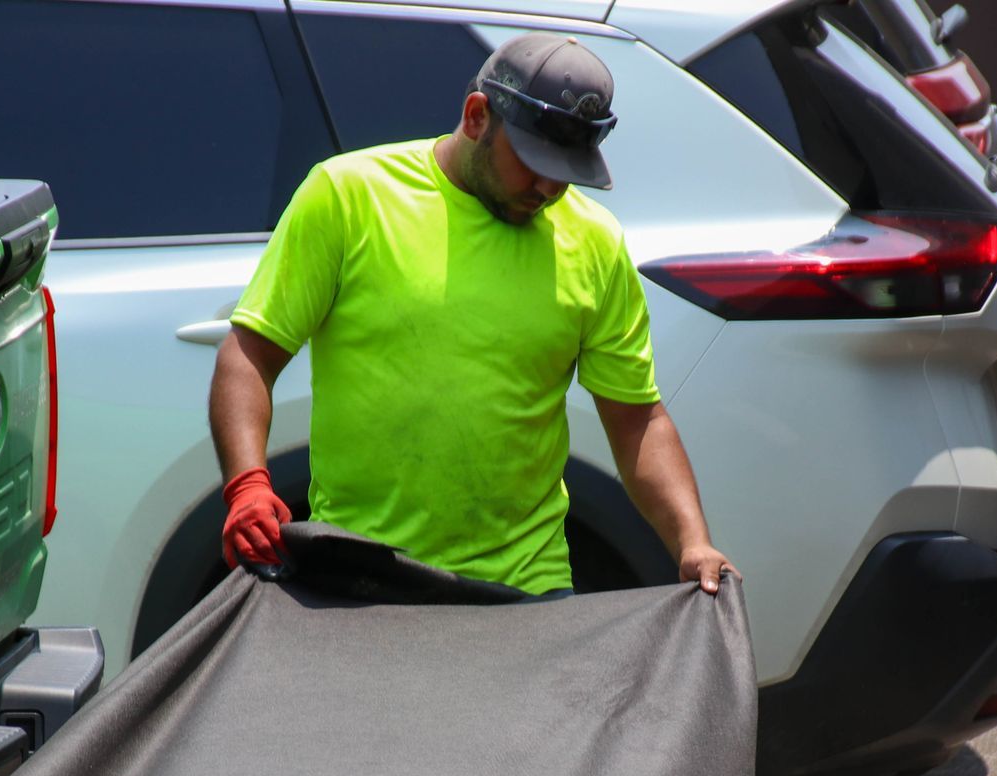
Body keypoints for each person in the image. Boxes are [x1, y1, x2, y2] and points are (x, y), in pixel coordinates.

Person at [208, 32, 735, 596]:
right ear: (478, 115)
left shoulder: (595, 243)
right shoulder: (348, 196)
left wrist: (692, 541)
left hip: (526, 589)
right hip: (360, 577)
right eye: (532, 160)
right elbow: (249, 356)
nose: (548, 186)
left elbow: (637, 422)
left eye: (566, 170)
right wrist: (247, 485)